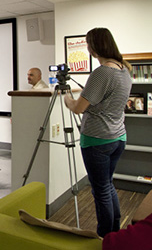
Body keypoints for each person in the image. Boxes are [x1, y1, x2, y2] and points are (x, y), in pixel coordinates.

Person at [64, 28, 132, 237]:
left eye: (88, 44)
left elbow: (78, 108)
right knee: (107, 185)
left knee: (100, 190)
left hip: (98, 139)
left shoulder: (102, 72)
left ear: (94, 46)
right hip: (118, 137)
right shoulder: (124, 70)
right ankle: (114, 231)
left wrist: (67, 97)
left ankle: (104, 236)